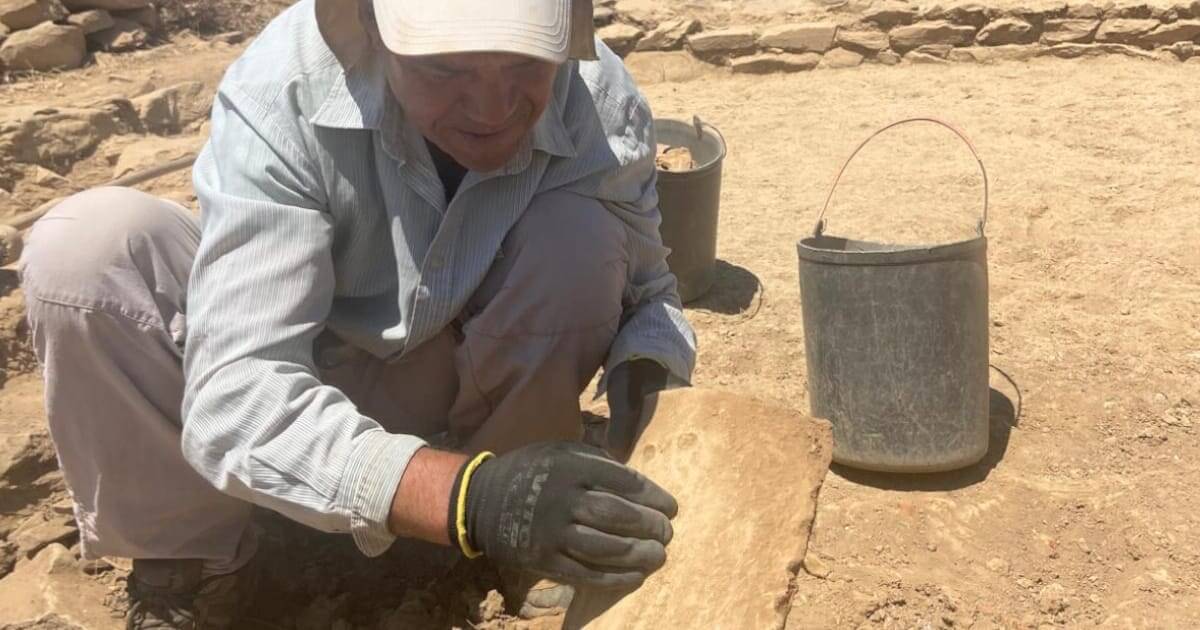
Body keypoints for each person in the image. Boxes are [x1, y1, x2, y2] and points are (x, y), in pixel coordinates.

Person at [17, 0, 696, 627]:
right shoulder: (283, 88)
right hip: (316, 374)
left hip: (461, 386)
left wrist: (647, 362)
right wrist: (468, 497)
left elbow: (647, 287)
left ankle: (527, 513)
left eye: (526, 63)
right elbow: (235, 391)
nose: (493, 106)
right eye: (444, 68)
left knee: (579, 239)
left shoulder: (597, 98)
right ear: (368, 32)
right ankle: (200, 562)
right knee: (87, 254)